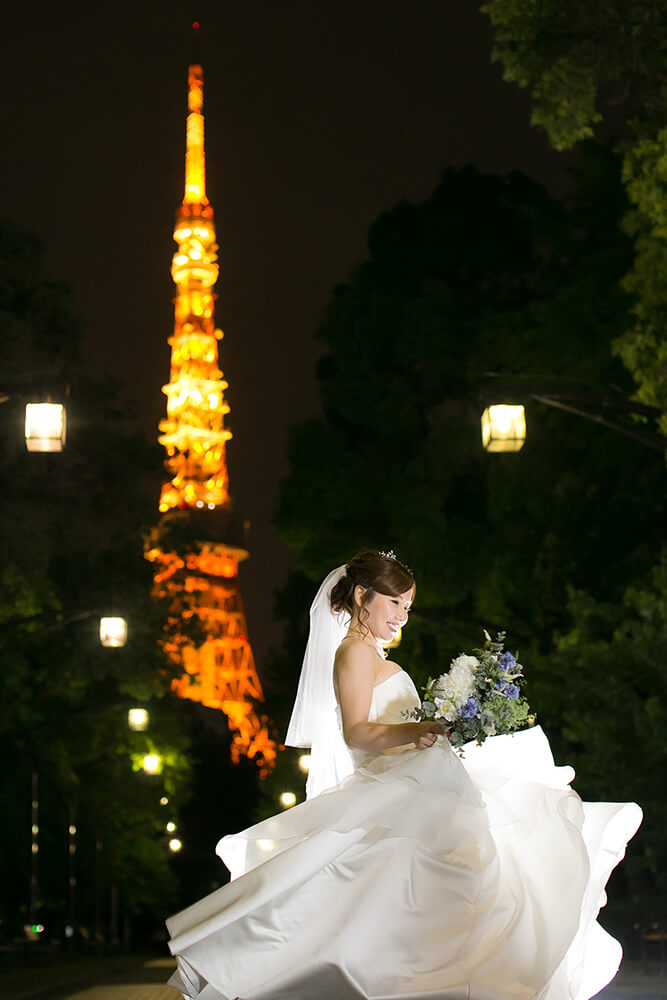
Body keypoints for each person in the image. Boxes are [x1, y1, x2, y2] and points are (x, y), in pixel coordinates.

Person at [166, 551, 642, 1000]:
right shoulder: (353, 653)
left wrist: (438, 728)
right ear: (361, 596)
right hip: (399, 786)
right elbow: (357, 732)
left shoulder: (370, 653)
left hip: (418, 782)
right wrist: (423, 730)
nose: (402, 615)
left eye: (408, 606)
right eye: (394, 602)